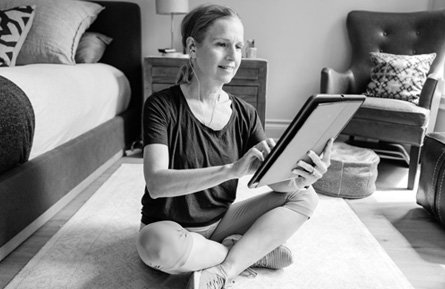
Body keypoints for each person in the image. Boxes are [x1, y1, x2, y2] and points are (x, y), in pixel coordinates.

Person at [136, 3, 333, 289]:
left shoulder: (245, 114)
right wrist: (231, 170)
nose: (233, 56)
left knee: (305, 197)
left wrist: (300, 179)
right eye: (222, 44)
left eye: (239, 46)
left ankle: (224, 269)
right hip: (170, 227)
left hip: (221, 222)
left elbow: (276, 184)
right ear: (193, 47)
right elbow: (156, 183)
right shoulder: (161, 106)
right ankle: (248, 253)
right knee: (156, 246)